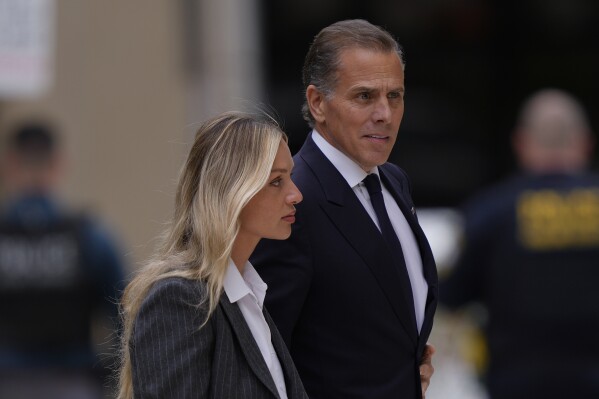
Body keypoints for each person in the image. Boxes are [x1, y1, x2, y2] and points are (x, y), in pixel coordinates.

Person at [251, 19, 438, 399]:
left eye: (395, 96)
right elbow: (263, 356)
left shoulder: (393, 181)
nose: (385, 114)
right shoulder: (291, 198)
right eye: (365, 97)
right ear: (317, 103)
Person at [116, 111, 308, 399]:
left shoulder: (249, 294)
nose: (296, 194)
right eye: (276, 181)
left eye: (290, 177)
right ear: (232, 190)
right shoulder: (180, 299)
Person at [440, 88, 599, 398]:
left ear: (521, 143)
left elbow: (449, 298)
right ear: (585, 142)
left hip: (516, 384)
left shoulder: (489, 213)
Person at [0, 121, 127, 399]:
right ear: (59, 163)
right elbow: (125, 314)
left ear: (9, 164)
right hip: (74, 384)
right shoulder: (90, 237)